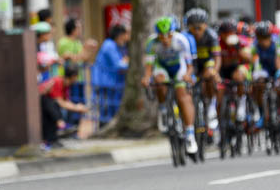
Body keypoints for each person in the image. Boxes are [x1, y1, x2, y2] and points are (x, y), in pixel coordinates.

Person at [142, 16, 197, 154]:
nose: (165, 39)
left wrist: (187, 75)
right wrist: (147, 77)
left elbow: (190, 65)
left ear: (173, 33)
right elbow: (149, 65)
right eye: (162, 36)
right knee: (159, 81)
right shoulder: (152, 42)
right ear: (157, 35)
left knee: (183, 97)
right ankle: (163, 110)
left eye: (169, 35)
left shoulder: (182, 40)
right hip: (163, 68)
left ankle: (190, 134)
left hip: (179, 67)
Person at [38, 52, 89, 149]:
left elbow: (64, 101)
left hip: (49, 107)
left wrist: (77, 107)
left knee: (54, 106)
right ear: (74, 76)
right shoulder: (58, 81)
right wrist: (76, 108)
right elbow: (60, 101)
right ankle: (60, 123)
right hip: (42, 104)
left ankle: (57, 135)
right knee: (52, 104)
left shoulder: (65, 86)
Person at [185, 8, 221, 129]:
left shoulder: (212, 36)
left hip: (207, 63)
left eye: (199, 28)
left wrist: (215, 71)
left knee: (210, 74)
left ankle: (211, 106)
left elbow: (217, 58)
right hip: (193, 64)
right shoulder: (186, 37)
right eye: (192, 28)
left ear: (205, 26)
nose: (196, 31)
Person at [91, 23, 129, 123]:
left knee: (111, 107)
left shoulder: (115, 46)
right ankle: (104, 125)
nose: (126, 39)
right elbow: (118, 64)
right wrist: (128, 62)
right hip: (105, 83)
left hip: (110, 82)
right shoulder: (109, 46)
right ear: (120, 35)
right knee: (106, 108)